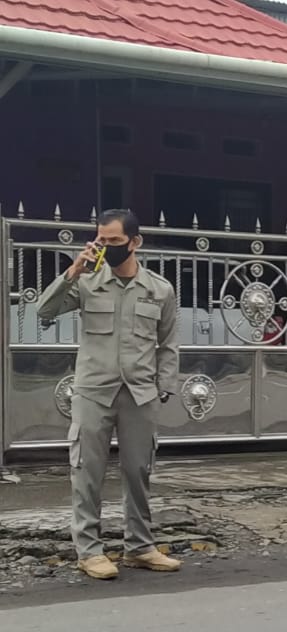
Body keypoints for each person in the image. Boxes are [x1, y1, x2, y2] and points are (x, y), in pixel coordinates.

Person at [35, 209, 182, 581]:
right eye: (102, 240)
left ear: (135, 242)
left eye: (115, 241)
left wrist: (163, 387)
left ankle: (140, 547)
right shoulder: (87, 283)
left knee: (138, 471)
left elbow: (168, 344)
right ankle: (89, 551)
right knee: (87, 472)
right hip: (93, 392)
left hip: (140, 393)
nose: (107, 247)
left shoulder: (159, 289)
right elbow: (44, 311)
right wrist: (73, 271)